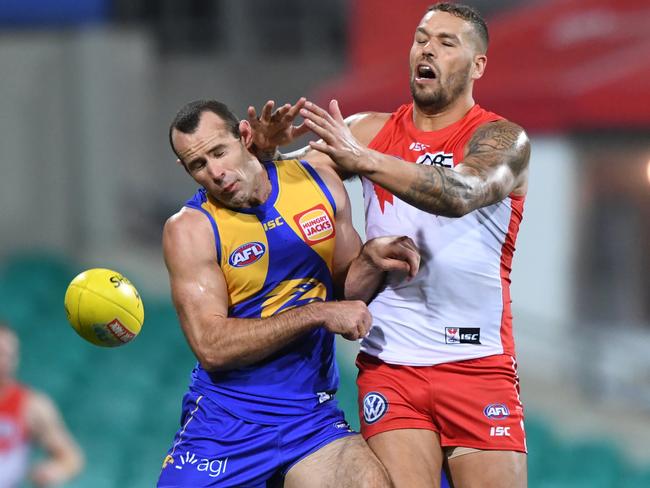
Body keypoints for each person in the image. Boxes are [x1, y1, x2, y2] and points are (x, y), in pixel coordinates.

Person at [248, 3, 531, 487]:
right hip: (392, 367)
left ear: (478, 65)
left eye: (446, 42)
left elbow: (460, 193)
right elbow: (274, 187)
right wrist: (265, 153)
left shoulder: (504, 139)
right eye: (421, 38)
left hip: (478, 365)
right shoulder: (367, 130)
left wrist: (364, 159)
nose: (427, 48)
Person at [157, 99, 419, 487]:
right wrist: (317, 313)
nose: (215, 172)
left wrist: (370, 260)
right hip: (226, 425)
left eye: (218, 152)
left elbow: (347, 292)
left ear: (244, 137)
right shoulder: (190, 229)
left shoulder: (318, 183)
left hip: (311, 420)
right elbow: (211, 347)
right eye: (199, 165)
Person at [0, 323, 84, 488]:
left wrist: (54, 471)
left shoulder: (32, 406)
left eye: (10, 354)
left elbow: (71, 457)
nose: (5, 360)